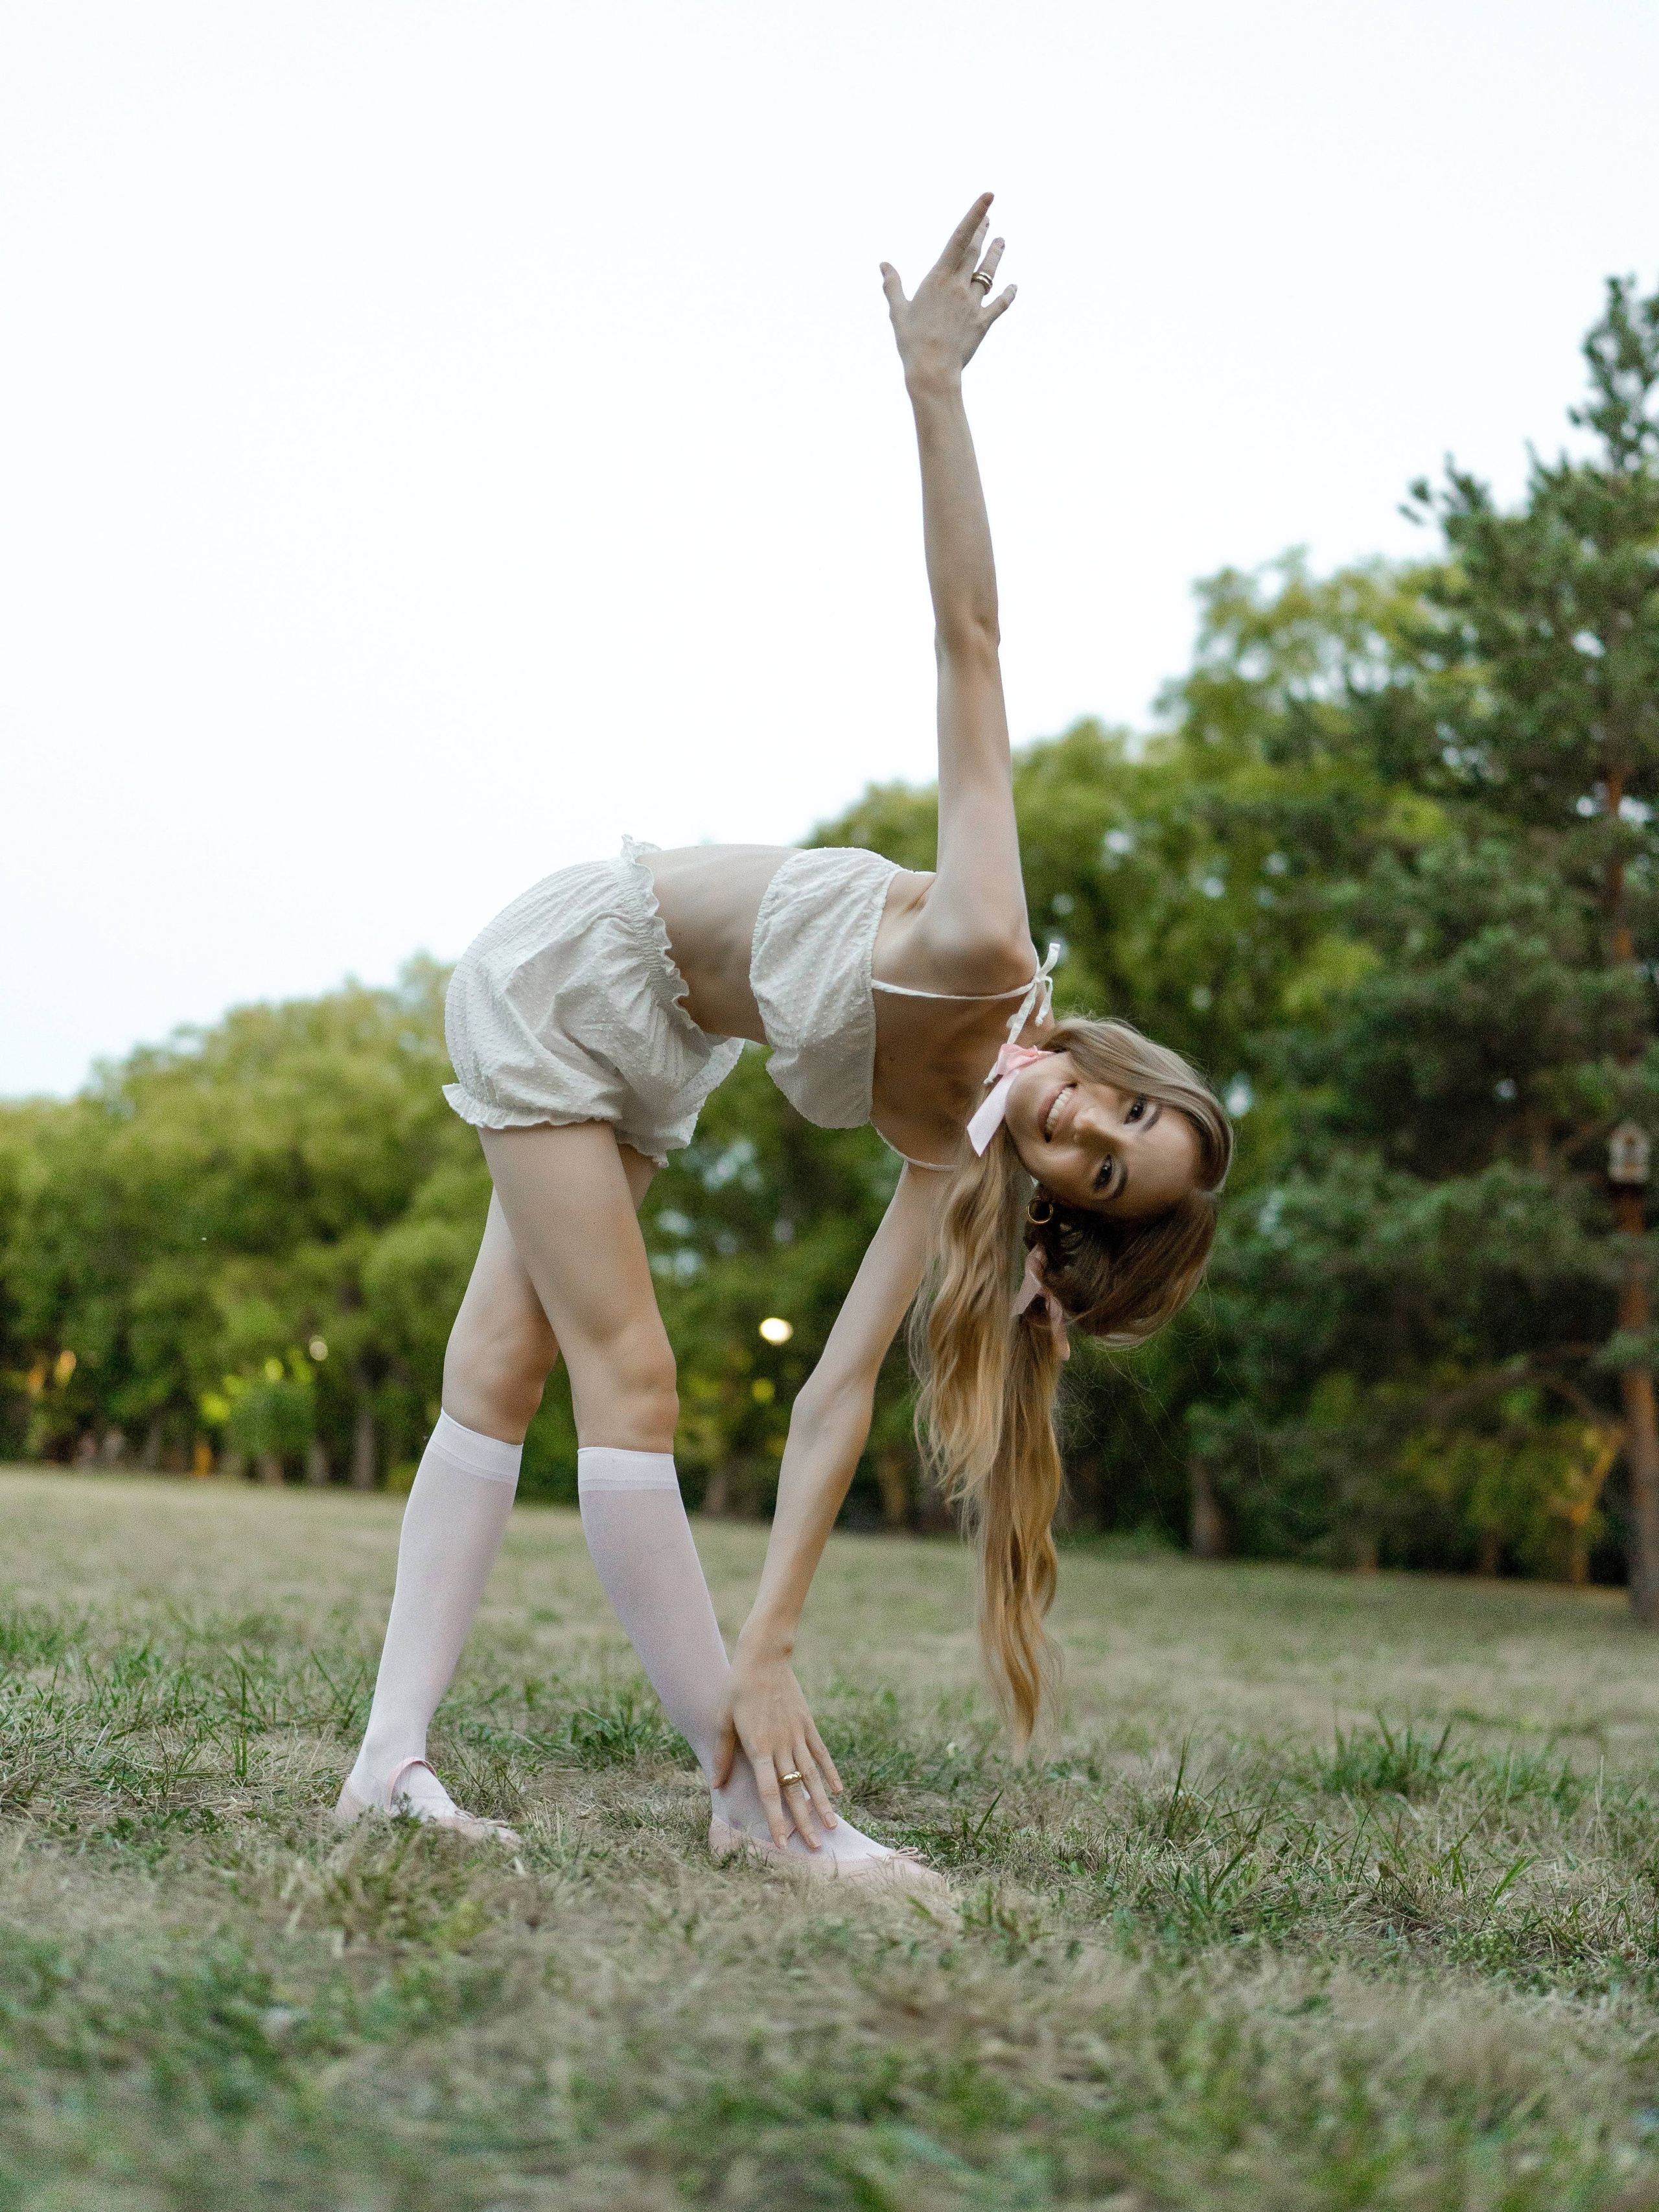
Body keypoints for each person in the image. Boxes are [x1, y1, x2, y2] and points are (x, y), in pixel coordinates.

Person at [336, 196, 1231, 1887]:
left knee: (502, 1371)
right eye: (1122, 1105)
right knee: (633, 1378)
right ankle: (752, 1809)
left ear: (1070, 1202)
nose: (1084, 1128)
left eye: (1107, 1170)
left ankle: (388, 1767)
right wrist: (934, 386)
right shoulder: (986, 944)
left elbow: (832, 1401)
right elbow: (972, 645)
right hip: (572, 967)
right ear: (1111, 1059)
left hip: (655, 1043)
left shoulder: (947, 1150)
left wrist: (776, 1638)